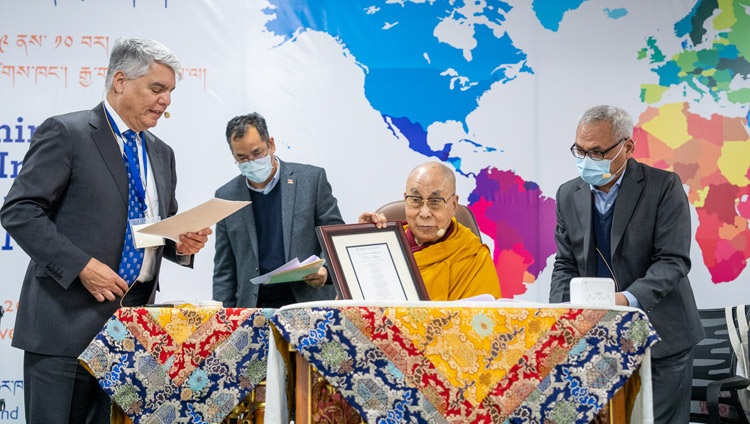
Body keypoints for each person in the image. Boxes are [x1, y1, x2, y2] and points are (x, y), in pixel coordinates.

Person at [0, 38, 211, 423]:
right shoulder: (67, 133)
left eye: (170, 92)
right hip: (65, 325)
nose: (166, 101)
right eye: (157, 88)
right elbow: (20, 211)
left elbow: (151, 228)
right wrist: (81, 265)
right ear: (120, 81)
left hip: (132, 328)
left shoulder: (162, 153)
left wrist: (180, 242)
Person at [549, 105, 704, 423]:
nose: (586, 160)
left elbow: (672, 261)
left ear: (627, 147)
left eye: (596, 152)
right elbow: (565, 264)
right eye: (579, 150)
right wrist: (563, 318)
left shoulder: (663, 187)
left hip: (662, 337)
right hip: (597, 341)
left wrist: (625, 301)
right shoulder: (569, 194)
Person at [213, 112, 344, 308]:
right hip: (253, 307)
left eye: (257, 153)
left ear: (271, 144)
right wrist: (223, 319)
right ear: (233, 155)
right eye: (242, 158)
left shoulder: (311, 180)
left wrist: (325, 270)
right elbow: (224, 269)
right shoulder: (226, 196)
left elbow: (335, 239)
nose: (252, 162)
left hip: (307, 302)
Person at [359, 161, 501, 300]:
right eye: (415, 200)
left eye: (435, 201)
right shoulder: (386, 245)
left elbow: (485, 320)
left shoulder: (472, 254)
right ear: (405, 201)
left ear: (453, 205)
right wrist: (362, 248)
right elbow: (347, 311)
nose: (425, 213)